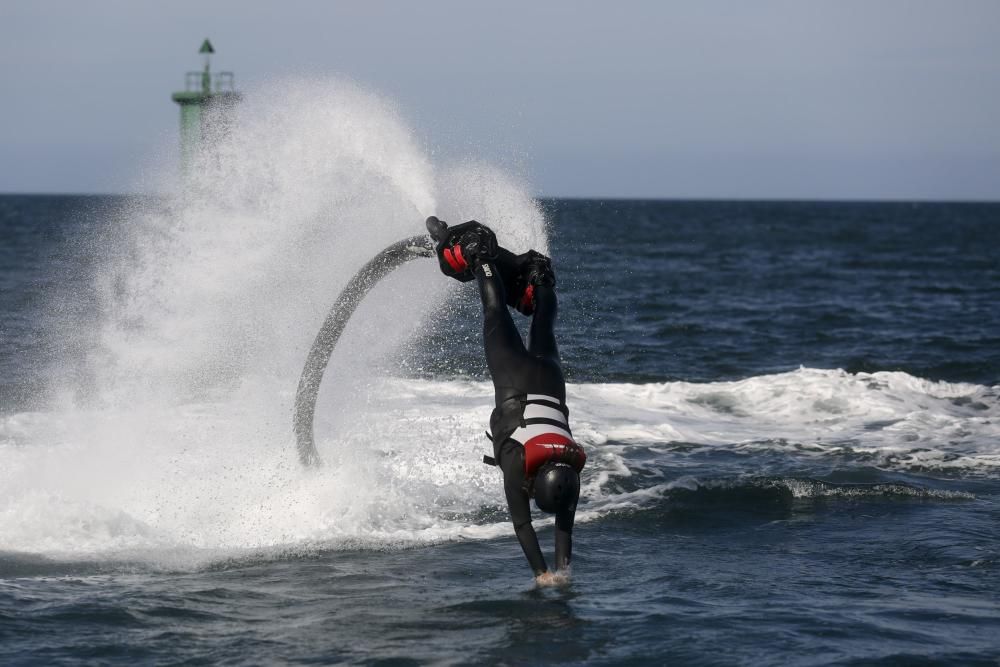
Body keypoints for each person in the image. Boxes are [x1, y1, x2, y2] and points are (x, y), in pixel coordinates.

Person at [427, 217, 587, 585]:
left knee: (543, 325)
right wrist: (542, 574)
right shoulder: (519, 463)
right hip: (514, 381)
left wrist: (563, 570)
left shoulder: (570, 473)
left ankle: (540, 279)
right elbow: (522, 524)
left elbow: (564, 528)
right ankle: (477, 254)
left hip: (549, 381)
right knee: (495, 310)